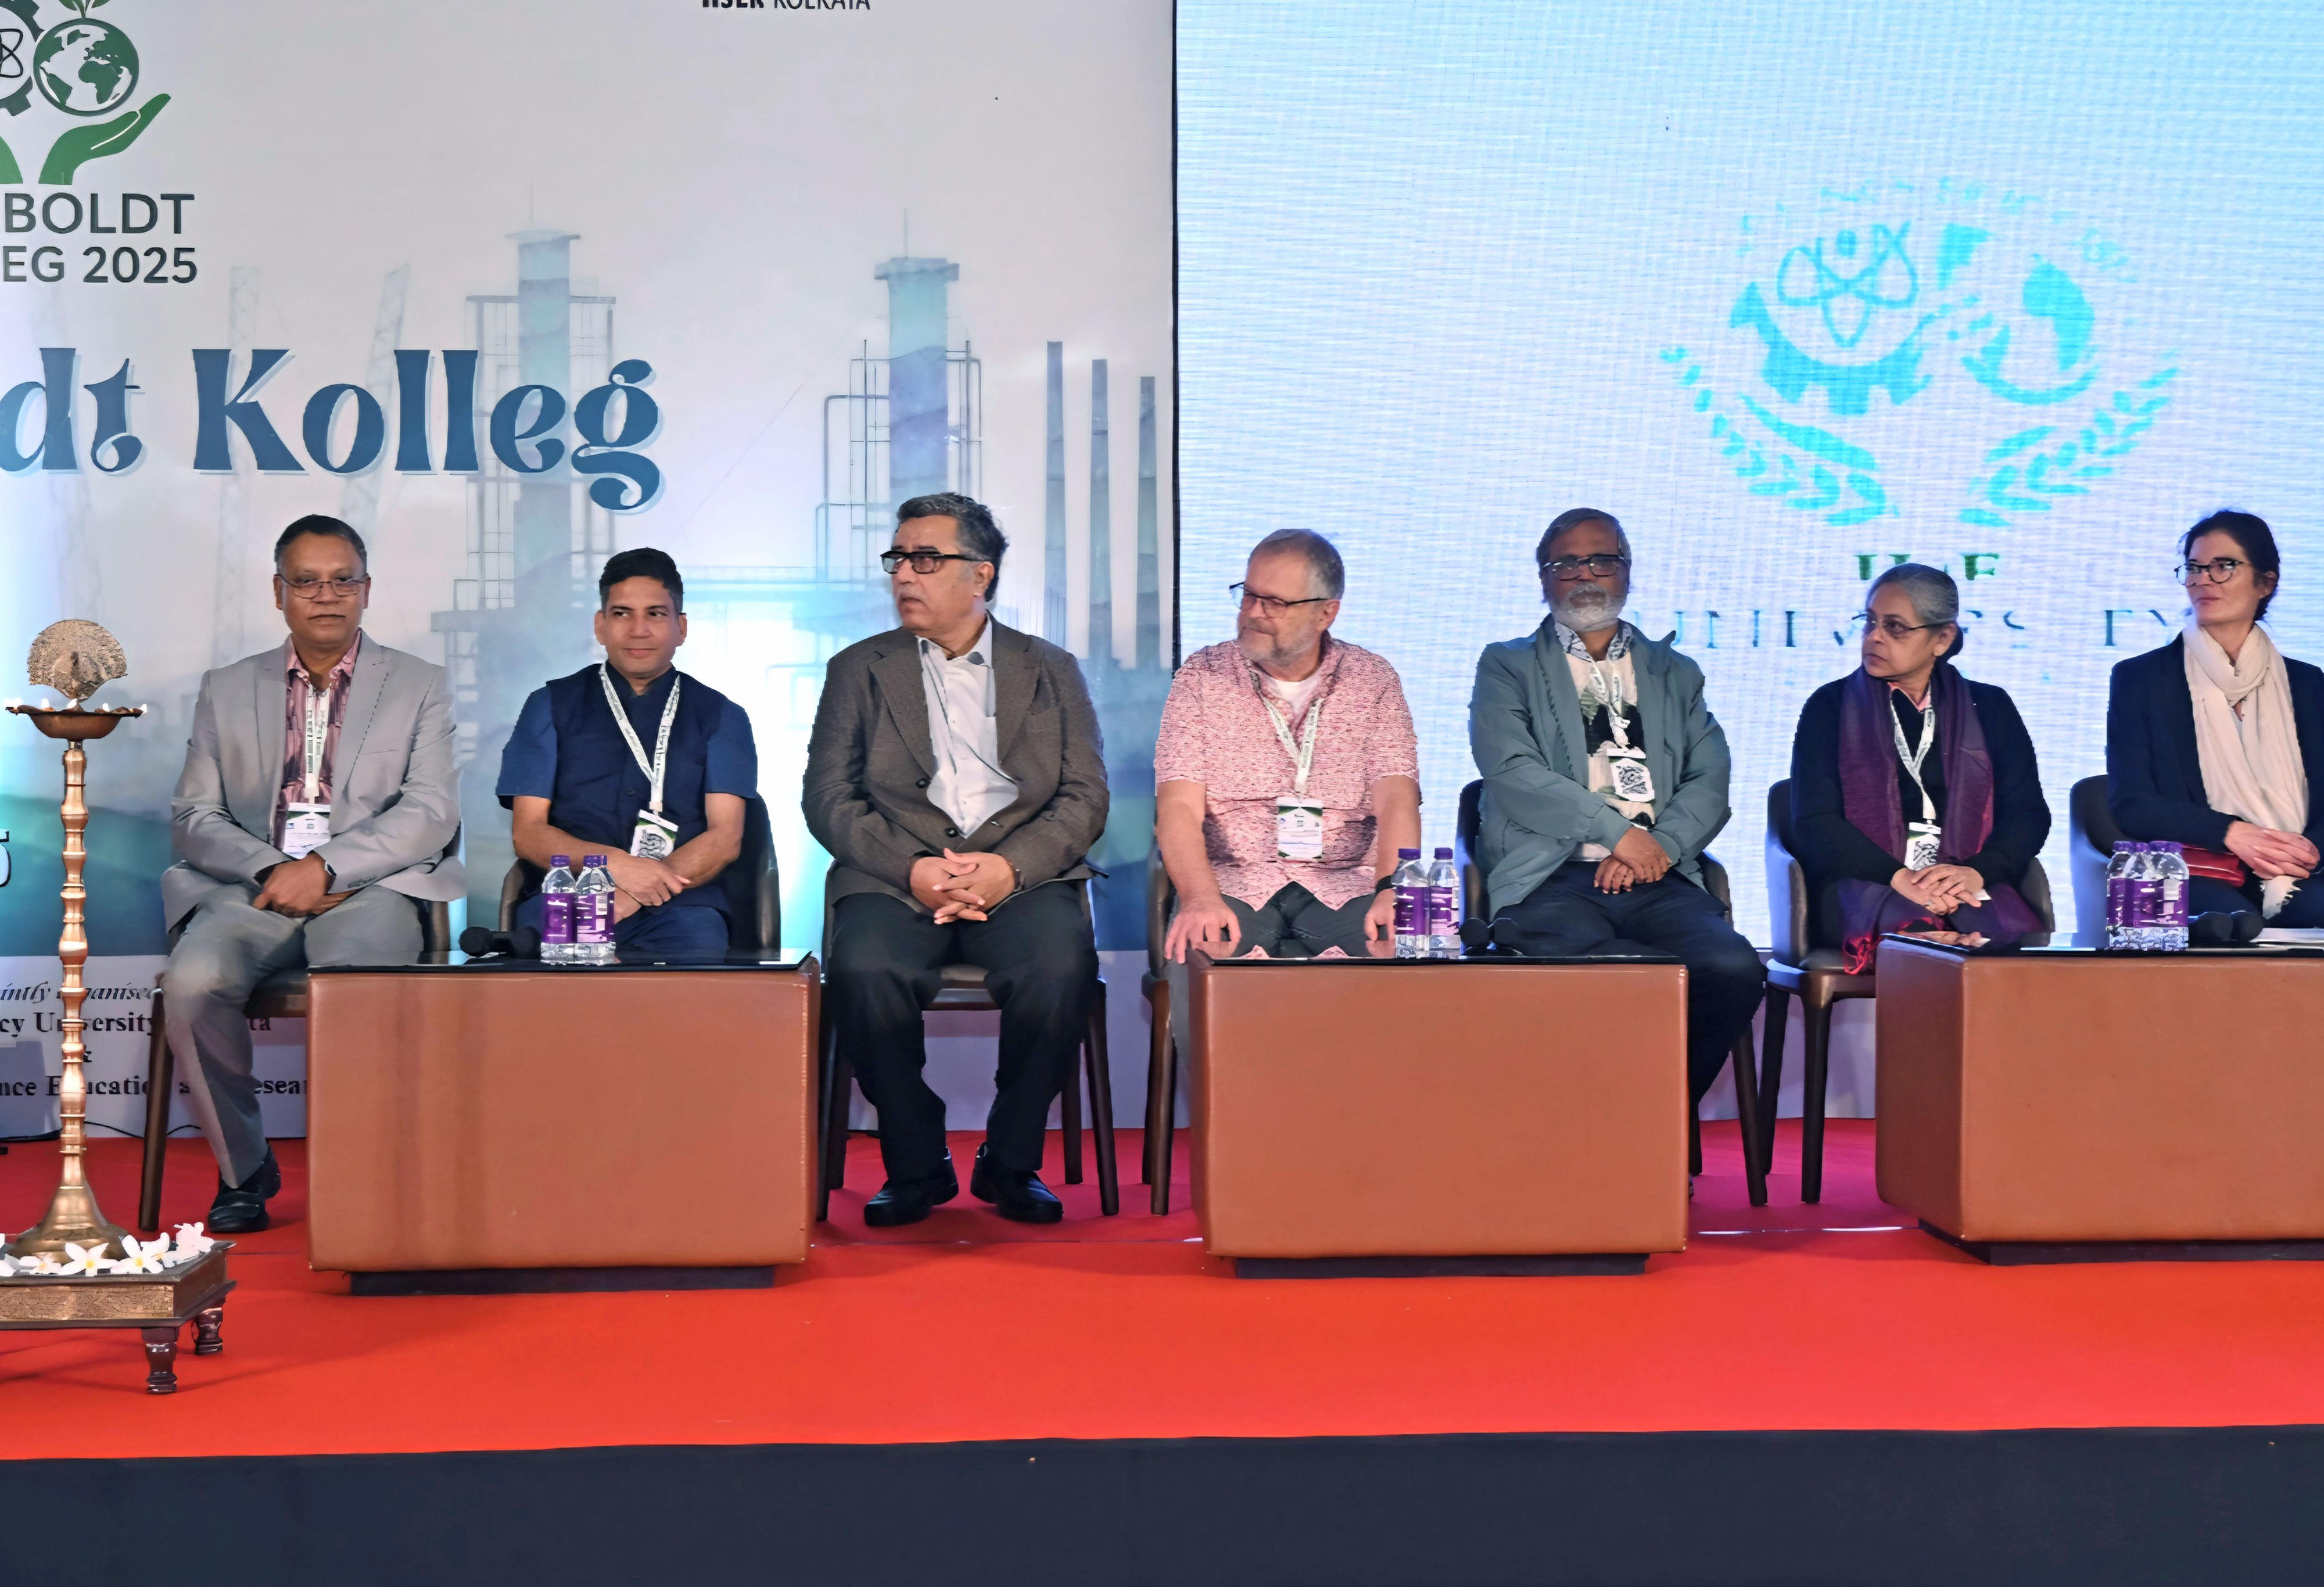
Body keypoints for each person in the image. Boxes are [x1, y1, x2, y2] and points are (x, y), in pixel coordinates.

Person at [804, 492, 1108, 1227]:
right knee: (862, 971)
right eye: (899, 559)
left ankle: (1009, 1159)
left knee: (1059, 970)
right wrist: (912, 866)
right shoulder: (858, 669)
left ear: (981, 575)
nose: (905, 574)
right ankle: (917, 1161)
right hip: (897, 877)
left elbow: (1084, 795)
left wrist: (1011, 868)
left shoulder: (1051, 668)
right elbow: (828, 796)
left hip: (1021, 876)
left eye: (926, 560)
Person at [160, 515, 464, 1233]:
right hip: (253, 889)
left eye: (343, 580)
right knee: (191, 985)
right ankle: (244, 1170)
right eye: (307, 581)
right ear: (278, 592)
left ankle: (358, 1172)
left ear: (366, 590)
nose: (327, 595)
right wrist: (277, 867)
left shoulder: (419, 684)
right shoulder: (227, 688)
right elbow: (193, 815)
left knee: (355, 990)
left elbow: (431, 811)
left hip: (372, 889)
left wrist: (327, 865)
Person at [1468, 507, 1764, 1105]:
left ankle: (1650, 1122)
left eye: (1601, 559)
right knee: (1604, 974)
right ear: (1543, 578)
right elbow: (1510, 771)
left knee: (1733, 969)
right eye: (1566, 562)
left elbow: (1711, 777)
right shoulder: (1507, 665)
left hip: (1659, 875)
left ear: (1626, 572)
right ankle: (1610, 1127)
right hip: (1550, 877)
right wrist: (1616, 832)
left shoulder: (1675, 672)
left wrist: (1657, 846)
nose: (1585, 574)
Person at [1154, 529, 1420, 1031]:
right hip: (1233, 877)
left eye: (1274, 602)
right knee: (1208, 975)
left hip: (1346, 879)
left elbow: (1398, 798)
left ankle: (1368, 1109)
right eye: (1248, 594)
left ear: (1326, 613)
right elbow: (1178, 808)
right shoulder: (1202, 675)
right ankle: (1231, 1111)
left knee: (1403, 970)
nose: (1253, 612)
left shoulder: (1373, 678)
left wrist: (1392, 889)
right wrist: (1198, 896)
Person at [496, 549, 758, 962]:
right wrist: (616, 867)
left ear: (681, 627)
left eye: (655, 614)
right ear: (600, 626)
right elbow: (528, 832)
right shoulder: (548, 706)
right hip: (571, 900)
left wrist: (636, 890)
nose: (639, 630)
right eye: (621, 614)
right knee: (556, 1009)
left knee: (690, 988)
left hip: (682, 905)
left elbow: (725, 837)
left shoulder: (722, 716)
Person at [1788, 564, 2048, 969]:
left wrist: (1976, 873)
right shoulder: (1830, 706)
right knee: (1918, 941)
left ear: (1942, 638)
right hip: (1865, 884)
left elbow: (2028, 816)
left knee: (1993, 938)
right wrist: (1899, 877)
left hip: (1963, 884)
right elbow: (1815, 822)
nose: (1874, 637)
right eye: (1870, 621)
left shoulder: (1990, 707)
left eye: (1895, 627)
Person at [2107, 510, 2324, 934]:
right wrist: (2232, 832)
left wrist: (2307, 851)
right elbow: (2130, 802)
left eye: (2224, 566)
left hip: (2297, 866)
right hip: (2201, 865)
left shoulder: (2308, 683)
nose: (2203, 579)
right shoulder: (2142, 678)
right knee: (2230, 925)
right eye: (2193, 567)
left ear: (2266, 582)